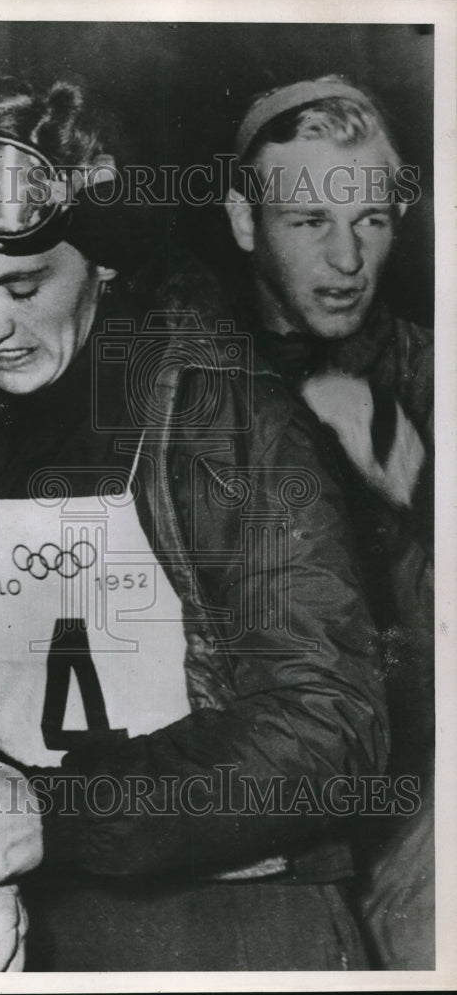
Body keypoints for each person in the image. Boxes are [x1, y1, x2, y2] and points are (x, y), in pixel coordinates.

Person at [0, 71, 389, 972]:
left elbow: (332, 725)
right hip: (14, 928)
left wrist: (55, 813)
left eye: (20, 285)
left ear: (100, 256)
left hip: (243, 921)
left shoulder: (226, 418)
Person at [223, 75, 434, 969]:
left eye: (372, 221)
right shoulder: (172, 375)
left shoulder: (431, 376)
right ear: (245, 224)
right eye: (310, 222)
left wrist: (418, 501)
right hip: (239, 835)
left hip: (412, 827)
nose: (348, 260)